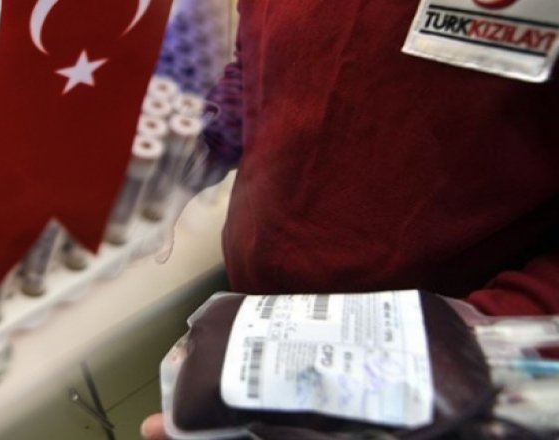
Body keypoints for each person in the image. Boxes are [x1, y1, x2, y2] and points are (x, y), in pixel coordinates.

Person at [143, 0, 559, 438]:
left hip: (438, 388)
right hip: (259, 326)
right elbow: (260, 63)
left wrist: (464, 359)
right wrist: (199, 143)